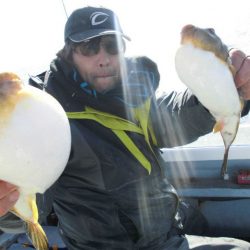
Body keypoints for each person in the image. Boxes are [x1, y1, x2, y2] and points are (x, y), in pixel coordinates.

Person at [1, 6, 250, 250]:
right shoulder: (48, 117)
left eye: (113, 45)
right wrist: (6, 207)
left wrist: (224, 90)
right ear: (68, 53)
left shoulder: (133, 95)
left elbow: (173, 114)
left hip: (167, 234)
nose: (104, 58)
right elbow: (30, 190)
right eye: (89, 47)